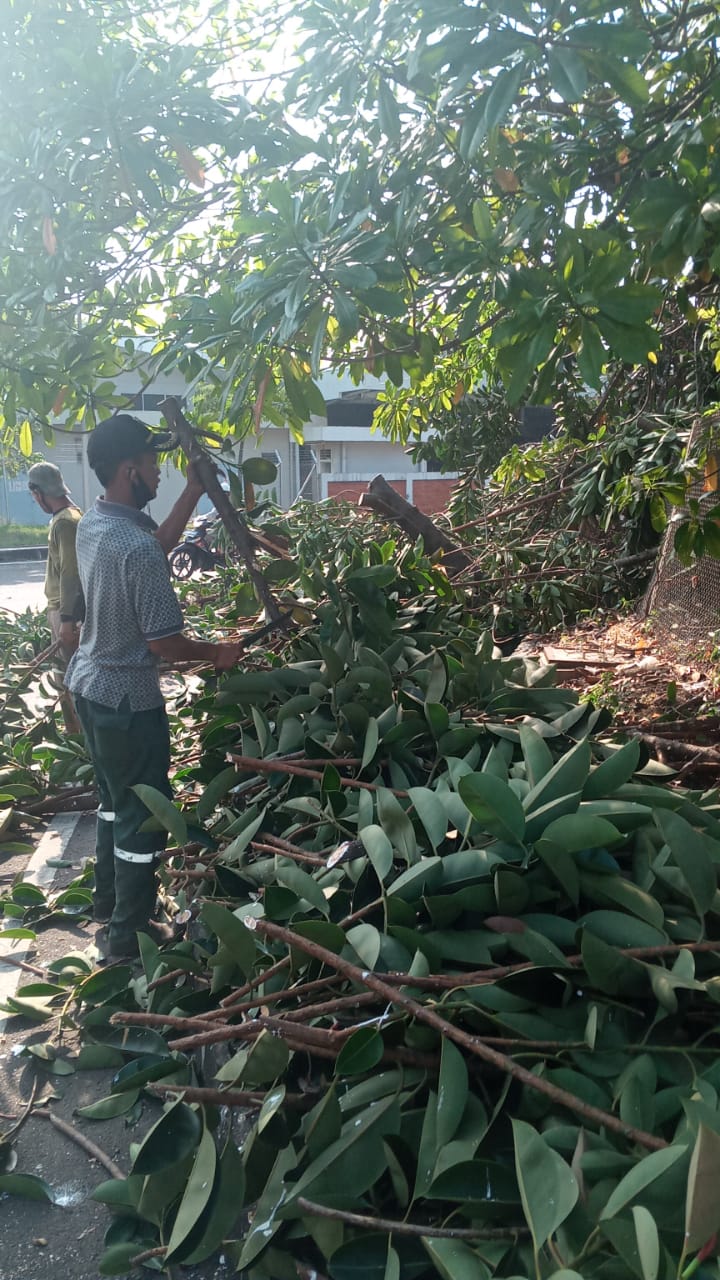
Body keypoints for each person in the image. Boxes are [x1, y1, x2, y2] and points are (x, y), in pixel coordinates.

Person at [65, 414, 244, 962]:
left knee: (116, 805)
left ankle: (108, 905)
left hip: (89, 689)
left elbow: (157, 541)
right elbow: (164, 642)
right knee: (144, 818)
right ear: (128, 470)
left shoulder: (97, 522)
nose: (158, 472)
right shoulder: (134, 548)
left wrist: (193, 491)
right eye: (151, 464)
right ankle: (131, 935)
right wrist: (217, 654)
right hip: (127, 703)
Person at [28, 460, 83, 731]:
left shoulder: (65, 523)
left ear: (37, 492)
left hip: (65, 612)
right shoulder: (72, 516)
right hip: (65, 612)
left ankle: (79, 746)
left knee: (68, 683)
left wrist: (66, 620)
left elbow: (70, 574)